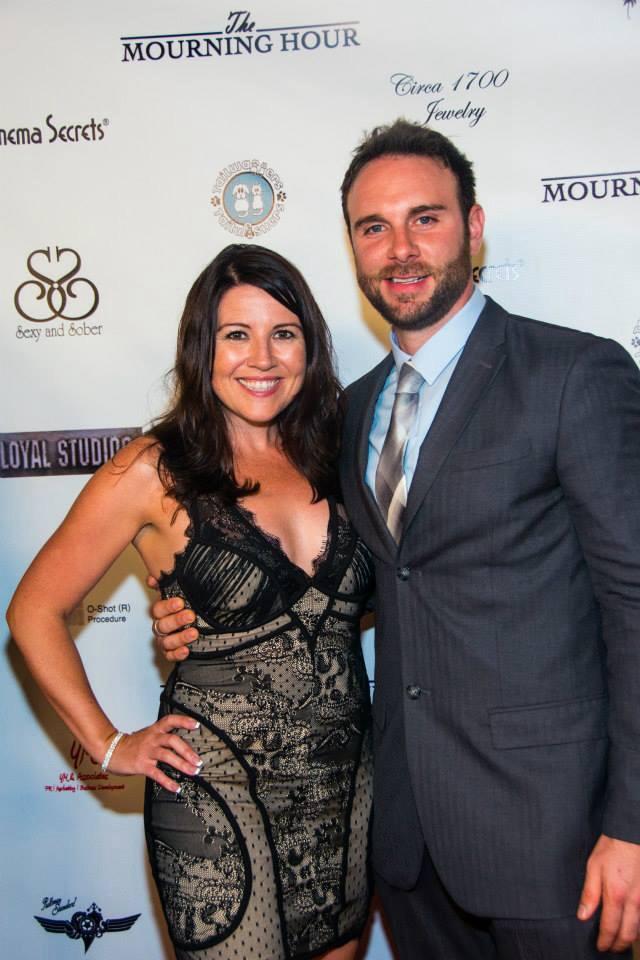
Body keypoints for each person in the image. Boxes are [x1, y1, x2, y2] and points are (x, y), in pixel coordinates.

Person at [150, 121, 640, 959]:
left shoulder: (572, 376)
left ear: (474, 228)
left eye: (426, 218)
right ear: (352, 246)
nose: (401, 248)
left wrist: (631, 824)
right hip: (403, 836)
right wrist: (204, 615)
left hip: (555, 835)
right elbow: (369, 582)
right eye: (374, 227)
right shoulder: (344, 413)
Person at [7, 244, 374, 960]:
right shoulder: (154, 470)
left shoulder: (341, 452)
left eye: (284, 333)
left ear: (310, 346)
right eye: (237, 334)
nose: (261, 358)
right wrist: (111, 744)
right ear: (202, 348)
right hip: (215, 788)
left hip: (345, 785)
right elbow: (32, 611)